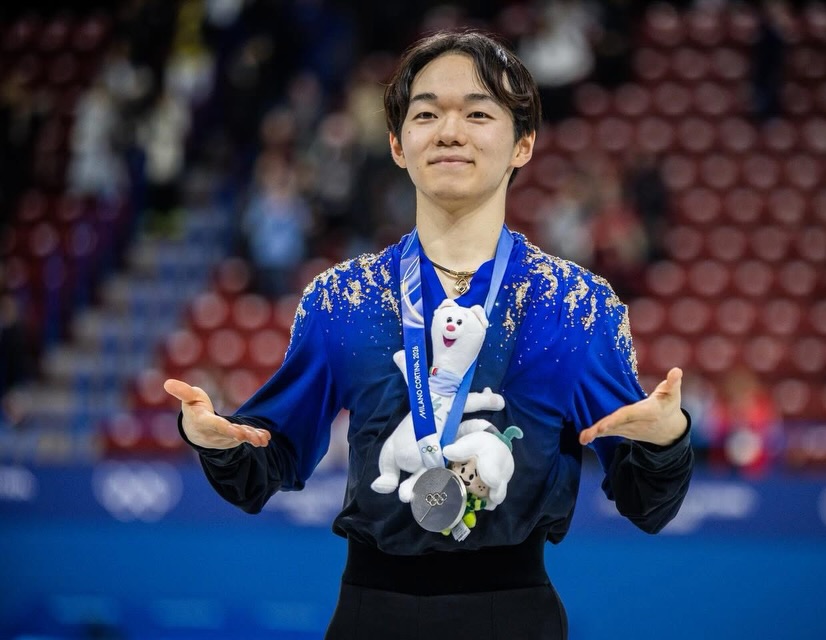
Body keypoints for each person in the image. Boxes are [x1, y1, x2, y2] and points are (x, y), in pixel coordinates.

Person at [164, 30, 692, 640]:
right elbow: (268, 462)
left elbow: (646, 503)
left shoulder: (577, 306)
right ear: (396, 143)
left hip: (513, 616)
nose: (448, 131)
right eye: (425, 113)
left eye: (476, 112)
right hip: (370, 615)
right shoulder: (342, 298)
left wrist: (665, 442)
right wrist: (217, 442)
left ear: (523, 143)